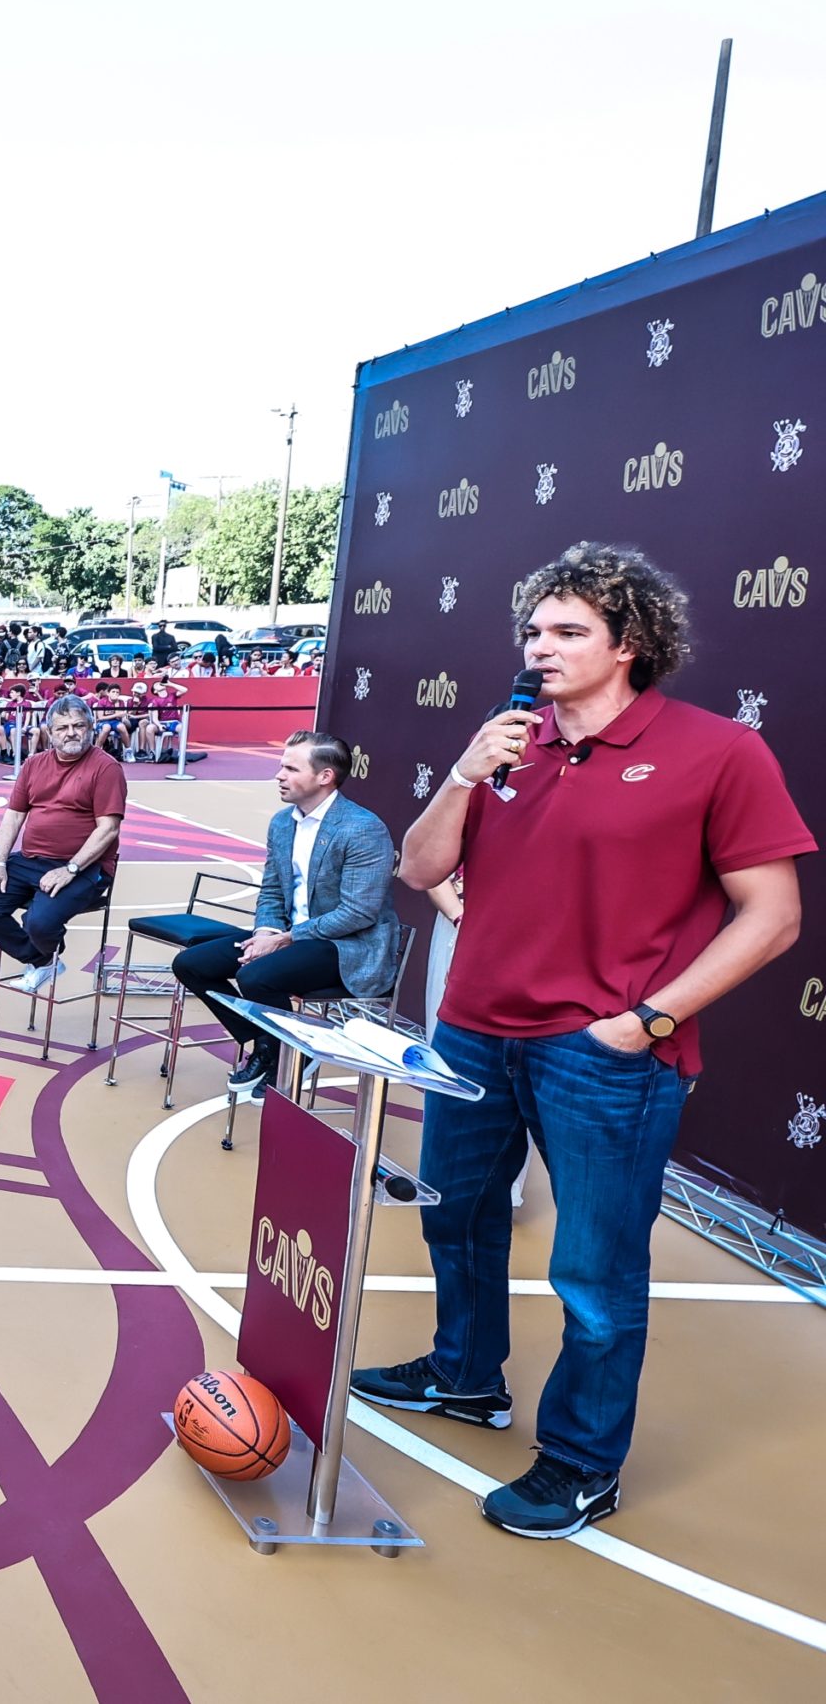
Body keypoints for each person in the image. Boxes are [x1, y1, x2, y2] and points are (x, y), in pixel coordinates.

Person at [348, 544, 815, 1540]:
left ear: (631, 644)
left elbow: (770, 916)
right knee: (454, 1221)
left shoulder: (717, 751)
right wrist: (468, 774)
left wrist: (648, 1021)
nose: (539, 647)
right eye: (533, 629)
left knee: (594, 1273)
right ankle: (465, 1376)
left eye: (567, 631)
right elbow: (420, 863)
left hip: (600, 1054)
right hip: (473, 1033)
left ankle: (580, 1462)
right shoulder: (511, 745)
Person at [172, 732, 400, 1097]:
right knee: (191, 965)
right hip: (289, 936)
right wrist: (265, 932)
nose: (279, 775)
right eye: (281, 766)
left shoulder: (363, 829)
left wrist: (285, 938)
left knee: (257, 976)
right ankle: (269, 1043)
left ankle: (281, 1052)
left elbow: (358, 913)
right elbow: (273, 890)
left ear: (325, 777)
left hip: (347, 946)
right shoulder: (282, 823)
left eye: (291, 768)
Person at [0, 695, 124, 993]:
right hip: (30, 859)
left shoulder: (106, 768)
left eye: (78, 725)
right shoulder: (34, 764)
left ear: (91, 726)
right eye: (62, 728)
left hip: (85, 866)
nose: (71, 733)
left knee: (39, 923)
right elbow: (13, 817)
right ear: (50, 732)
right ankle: (42, 959)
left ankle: (42, 950)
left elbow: (109, 828)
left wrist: (70, 869)